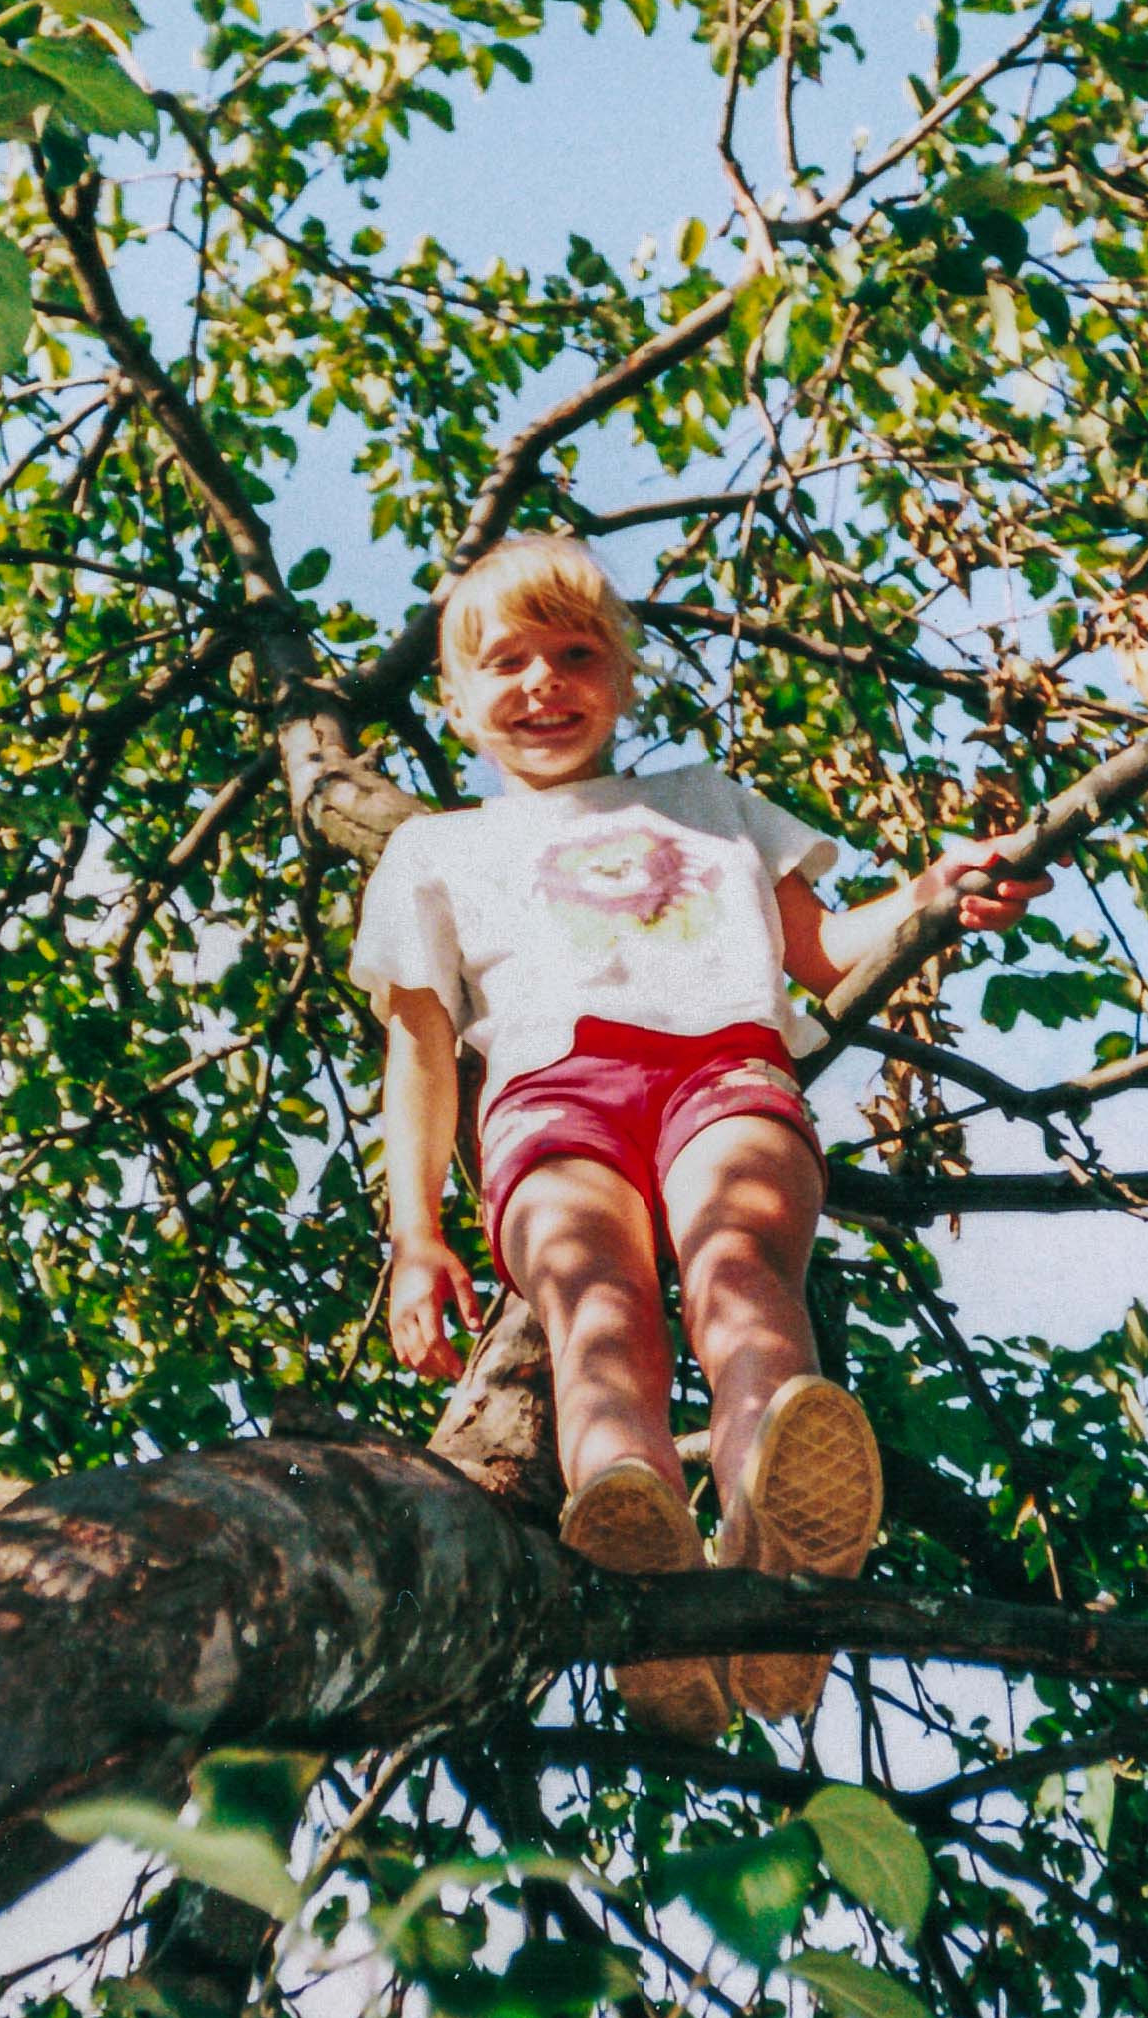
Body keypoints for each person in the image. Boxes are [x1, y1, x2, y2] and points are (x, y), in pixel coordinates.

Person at [351, 532, 1050, 1740]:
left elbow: (827, 952)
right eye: (506, 660)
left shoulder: (709, 805)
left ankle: (782, 1537)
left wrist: (937, 892)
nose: (541, 683)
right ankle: (638, 1540)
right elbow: (417, 1048)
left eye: (575, 654)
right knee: (596, 1303)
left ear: (622, 677)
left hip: (723, 1066)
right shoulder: (435, 850)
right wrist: (415, 1236)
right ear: (455, 700)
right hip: (549, 1099)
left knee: (738, 1262)